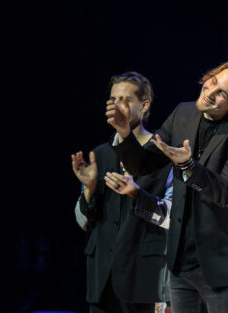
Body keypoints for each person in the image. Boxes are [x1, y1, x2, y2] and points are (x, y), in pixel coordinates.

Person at [105, 60, 228, 313]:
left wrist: (189, 166)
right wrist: (125, 133)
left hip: (224, 270)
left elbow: (227, 193)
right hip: (181, 265)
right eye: (212, 82)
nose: (210, 92)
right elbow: (142, 164)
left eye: (222, 93)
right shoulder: (183, 113)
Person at [71, 71, 172, 313]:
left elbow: (171, 217)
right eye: (114, 99)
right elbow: (83, 220)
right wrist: (90, 189)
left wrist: (137, 193)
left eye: (126, 100)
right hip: (102, 278)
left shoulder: (163, 154)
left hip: (143, 279)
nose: (118, 105)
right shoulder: (101, 154)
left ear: (144, 105)